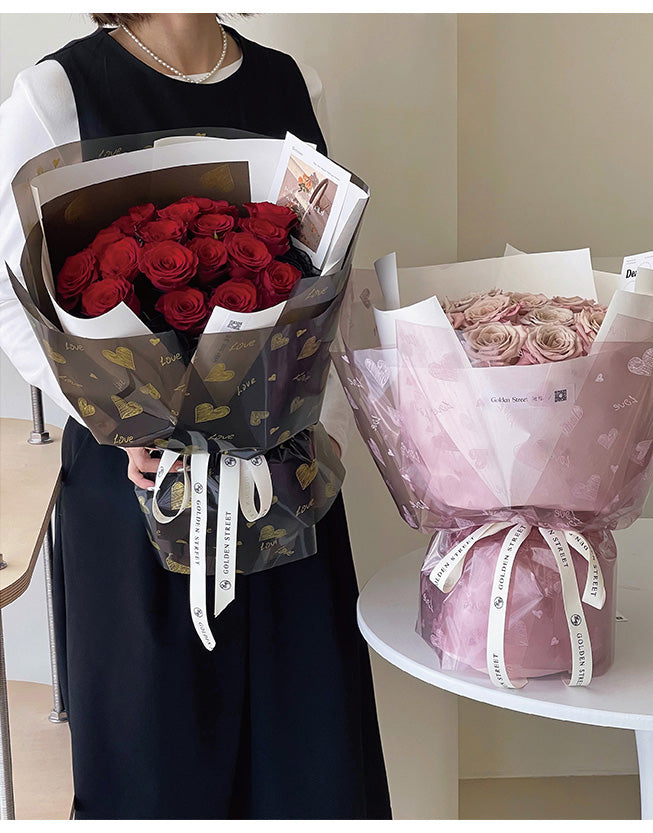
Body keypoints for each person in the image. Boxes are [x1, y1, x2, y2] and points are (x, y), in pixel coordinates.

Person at [0, 13, 391, 820]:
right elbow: (11, 300)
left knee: (310, 761)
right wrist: (119, 417)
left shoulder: (294, 84)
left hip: (282, 482)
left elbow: (330, 278)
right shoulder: (55, 95)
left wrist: (318, 416)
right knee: (153, 770)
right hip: (137, 490)